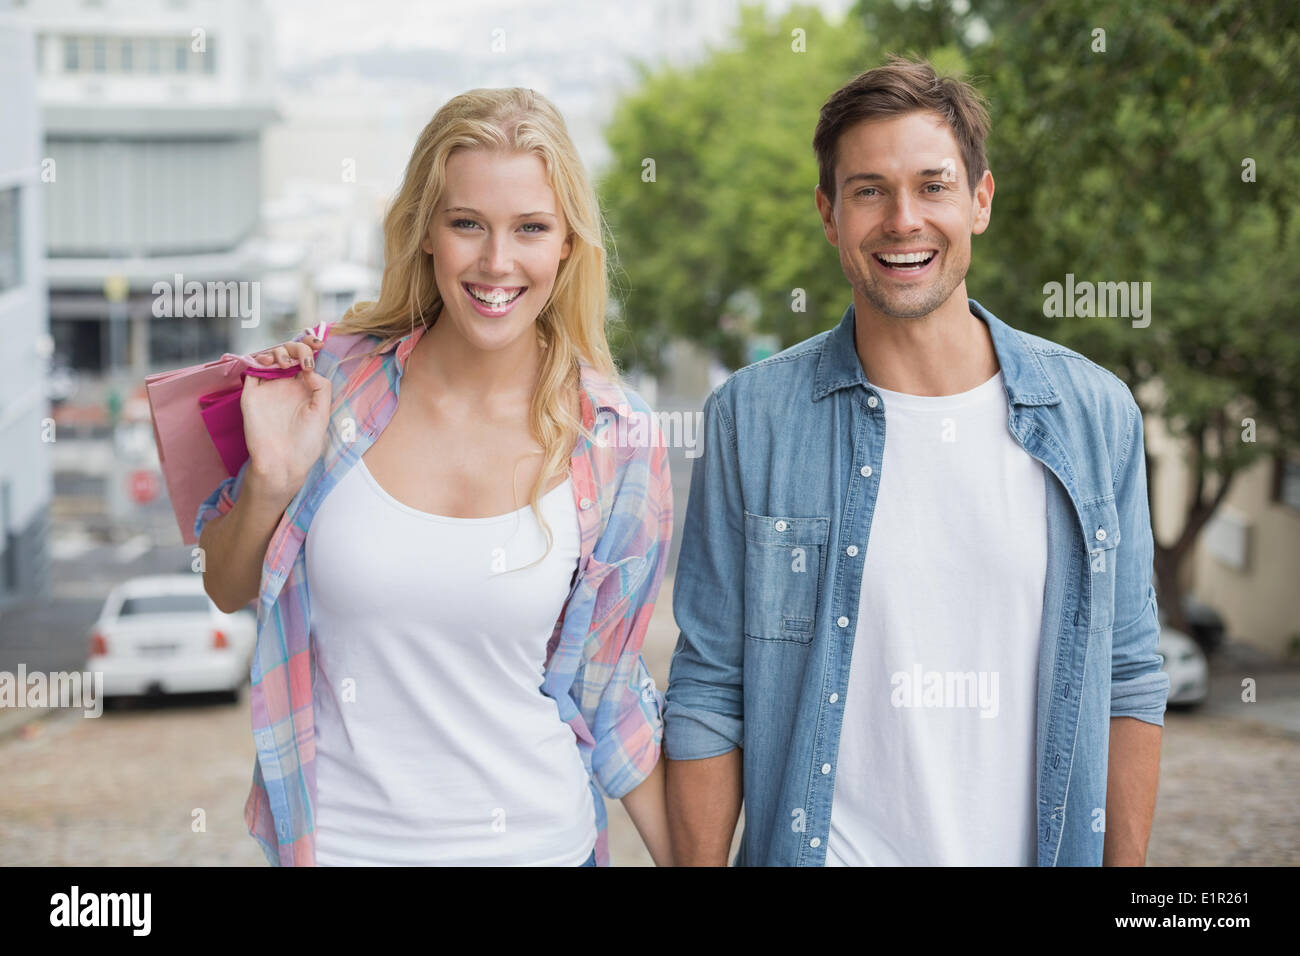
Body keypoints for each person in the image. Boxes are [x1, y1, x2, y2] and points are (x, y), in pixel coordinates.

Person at [664, 56, 1169, 866]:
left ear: (980, 200)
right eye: (869, 190)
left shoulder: (1094, 414)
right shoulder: (752, 418)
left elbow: (1131, 674)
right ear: (830, 215)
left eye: (932, 186)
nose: (903, 220)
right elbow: (710, 688)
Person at [195, 87, 673, 867]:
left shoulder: (617, 441)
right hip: (345, 850)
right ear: (424, 233)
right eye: (466, 225)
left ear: (566, 245)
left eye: (530, 228)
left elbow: (612, 690)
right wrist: (271, 484)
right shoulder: (330, 386)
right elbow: (226, 584)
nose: (496, 262)